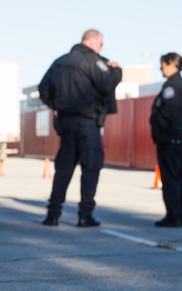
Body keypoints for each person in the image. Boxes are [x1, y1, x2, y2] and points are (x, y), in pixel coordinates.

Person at [37, 29, 122, 227]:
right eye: (101, 45)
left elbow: (43, 90)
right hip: (87, 123)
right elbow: (107, 84)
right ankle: (85, 215)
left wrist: (57, 106)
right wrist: (117, 71)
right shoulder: (94, 61)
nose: (101, 49)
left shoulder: (60, 62)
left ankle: (53, 214)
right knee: (91, 167)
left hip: (66, 123)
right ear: (93, 42)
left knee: (63, 169)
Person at [149, 53, 182, 227]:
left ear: (171, 64)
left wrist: (164, 128)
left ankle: (174, 216)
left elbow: (166, 112)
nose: (160, 69)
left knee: (171, 177)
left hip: (172, 137)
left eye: (162, 65)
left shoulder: (172, 86)